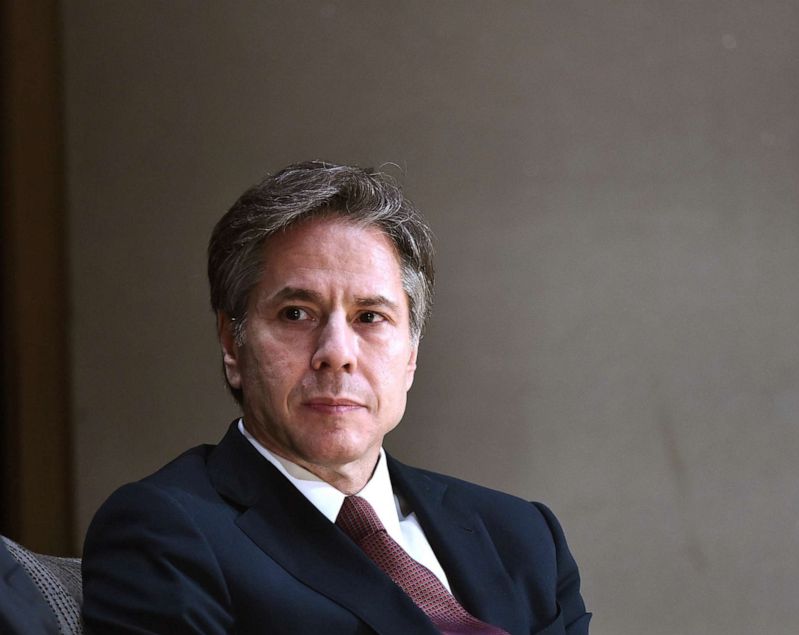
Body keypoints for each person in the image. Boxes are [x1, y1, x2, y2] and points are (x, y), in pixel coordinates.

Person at [82, 161, 591, 634]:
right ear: (231, 343)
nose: (336, 354)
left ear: (411, 354)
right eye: (296, 314)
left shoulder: (523, 537)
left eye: (370, 317)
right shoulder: (163, 533)